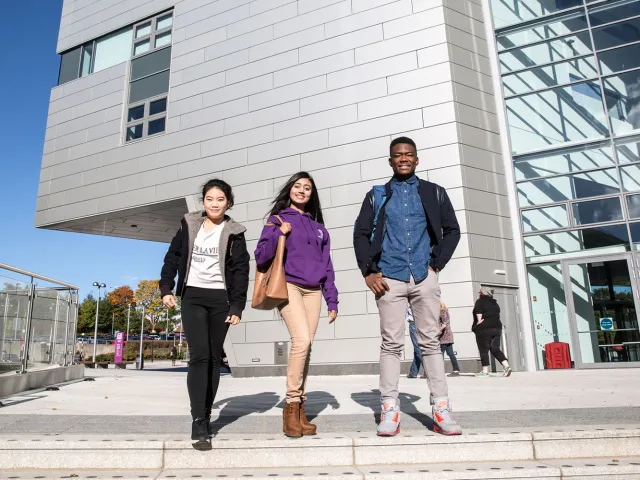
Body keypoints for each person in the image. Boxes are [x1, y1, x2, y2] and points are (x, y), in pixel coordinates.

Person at [353, 136, 462, 436]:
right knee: (391, 344)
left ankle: (441, 408)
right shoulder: (376, 195)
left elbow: (453, 230)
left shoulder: (434, 192)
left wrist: (435, 263)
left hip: (424, 277)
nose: (403, 158)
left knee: (430, 343)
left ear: (417, 159)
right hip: (389, 278)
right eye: (398, 155)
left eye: (408, 154)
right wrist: (369, 272)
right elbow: (361, 234)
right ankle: (389, 408)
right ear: (390, 160)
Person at [160, 178, 250, 441]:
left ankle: (206, 414)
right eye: (210, 199)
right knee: (199, 356)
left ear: (228, 202)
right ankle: (198, 419)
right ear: (203, 201)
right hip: (193, 296)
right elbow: (173, 256)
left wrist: (237, 305)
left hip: (221, 300)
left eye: (220, 199)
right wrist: (166, 287)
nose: (214, 204)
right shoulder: (189, 225)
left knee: (213, 359)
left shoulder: (235, 231)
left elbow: (240, 271)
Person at [255, 172, 339, 438]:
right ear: (289, 190)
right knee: (301, 340)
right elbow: (260, 257)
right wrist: (279, 234)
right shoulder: (277, 219)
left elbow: (327, 266)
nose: (302, 191)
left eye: (307, 188)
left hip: (314, 291)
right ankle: (291, 406)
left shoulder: (319, 228)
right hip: (289, 285)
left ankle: (301, 408)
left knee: (308, 346)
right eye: (298, 186)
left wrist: (332, 298)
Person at [472, 287, 512, 377]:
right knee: (495, 348)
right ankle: (506, 366)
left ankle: (485, 371)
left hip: (484, 328)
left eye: (480, 292)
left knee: (483, 349)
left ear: (482, 293)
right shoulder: (495, 303)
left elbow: (478, 311)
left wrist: (478, 322)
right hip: (497, 327)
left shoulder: (480, 301)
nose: (479, 293)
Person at [438, 300, 461, 376]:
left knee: (440, 354)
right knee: (450, 353)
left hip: (444, 336)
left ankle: (439, 371)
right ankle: (456, 370)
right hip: (448, 335)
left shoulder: (442, 311)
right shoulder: (446, 311)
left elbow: (444, 324)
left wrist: (437, 331)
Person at [406, 306, 425, 379]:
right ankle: (413, 372)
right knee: (417, 348)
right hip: (420, 322)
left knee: (417, 348)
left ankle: (428, 370)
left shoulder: (410, 299)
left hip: (413, 323)